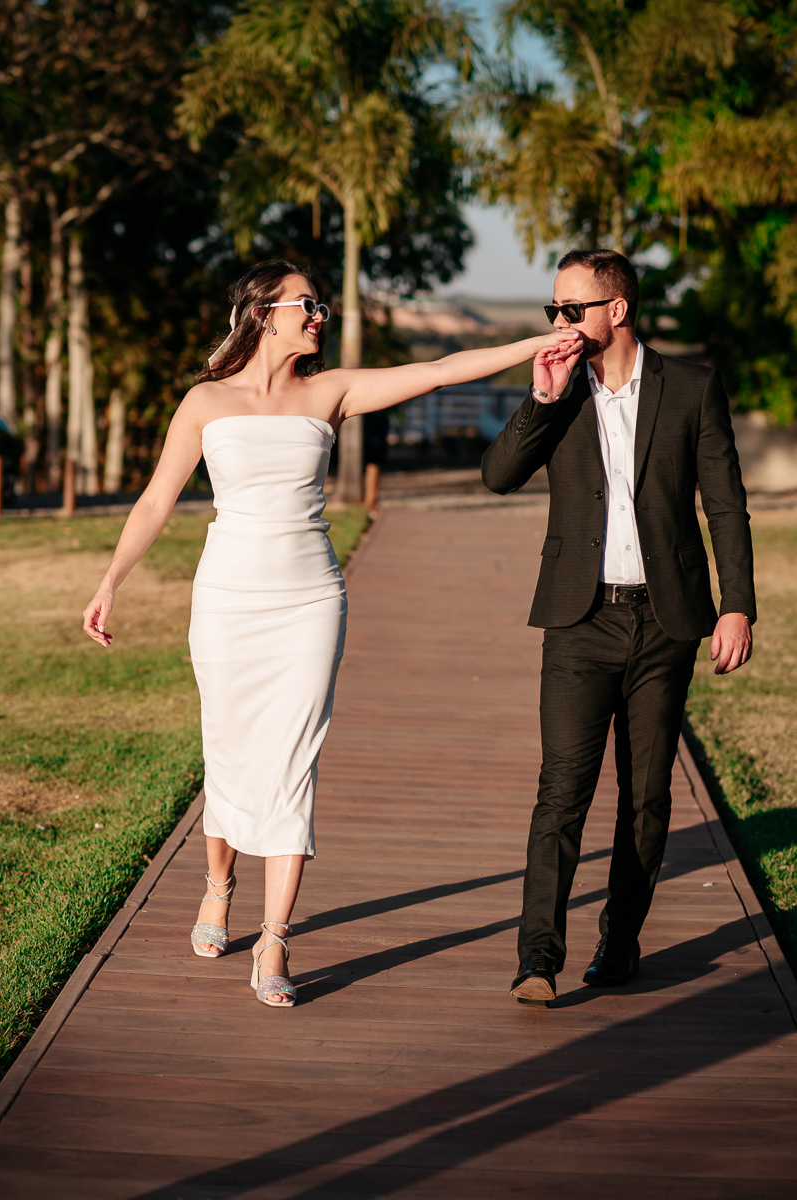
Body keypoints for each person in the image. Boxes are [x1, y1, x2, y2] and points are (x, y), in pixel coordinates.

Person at [83, 259, 578, 1009]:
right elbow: (155, 501)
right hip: (226, 602)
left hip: (309, 600)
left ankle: (275, 938)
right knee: (230, 749)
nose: (320, 316)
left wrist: (534, 345)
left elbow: (439, 370)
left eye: (320, 305)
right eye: (307, 304)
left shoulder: (330, 392)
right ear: (264, 314)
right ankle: (218, 883)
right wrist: (109, 582)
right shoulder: (206, 402)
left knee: (294, 760)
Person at [482, 248, 755, 1006]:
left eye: (572, 309)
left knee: (646, 796)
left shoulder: (691, 387)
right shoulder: (560, 389)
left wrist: (736, 603)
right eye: (553, 309)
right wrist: (541, 398)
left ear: (618, 310)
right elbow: (498, 475)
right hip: (580, 620)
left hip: (666, 622)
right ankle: (538, 958)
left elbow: (724, 504)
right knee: (562, 791)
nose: (559, 322)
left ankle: (620, 941)